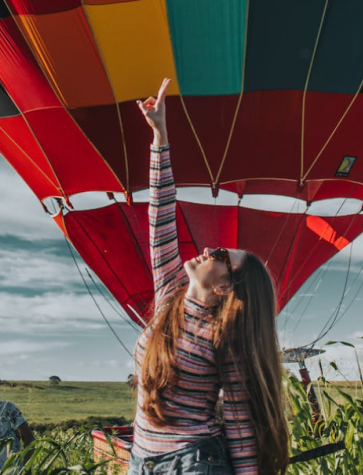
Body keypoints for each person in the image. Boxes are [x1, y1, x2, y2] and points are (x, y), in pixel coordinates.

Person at [129, 78, 289, 475]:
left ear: (224, 287)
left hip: (193, 463)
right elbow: (160, 216)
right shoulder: (169, 295)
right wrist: (160, 137)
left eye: (220, 255)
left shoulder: (226, 337)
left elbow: (237, 421)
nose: (207, 249)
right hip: (141, 458)